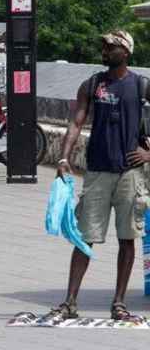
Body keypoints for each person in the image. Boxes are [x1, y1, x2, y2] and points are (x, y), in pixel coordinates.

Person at [51, 30, 150, 321]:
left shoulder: (141, 85)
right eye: (104, 46)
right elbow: (75, 121)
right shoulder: (92, 84)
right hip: (96, 172)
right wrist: (63, 158)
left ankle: (118, 303)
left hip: (130, 174)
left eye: (111, 46)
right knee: (84, 238)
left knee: (127, 239)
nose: (105, 50)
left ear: (126, 52)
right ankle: (70, 301)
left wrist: (149, 154)